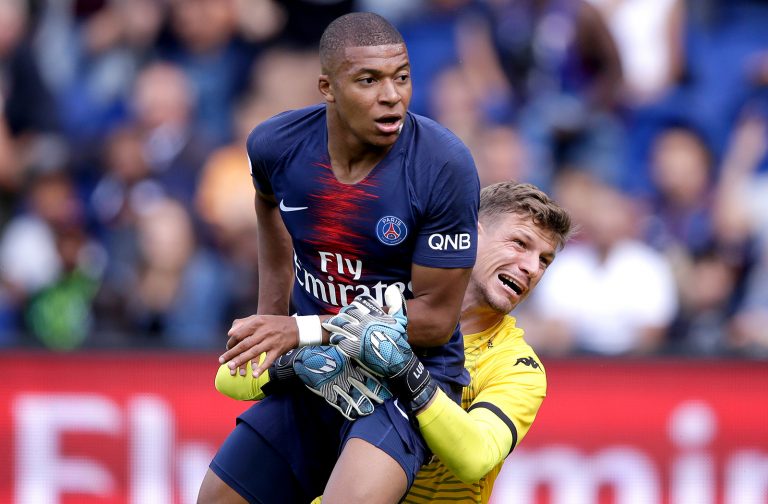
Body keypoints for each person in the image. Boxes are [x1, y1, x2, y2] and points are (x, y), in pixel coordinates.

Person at [197, 12, 480, 504]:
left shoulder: (443, 165)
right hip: (316, 368)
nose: (391, 95)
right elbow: (268, 206)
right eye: (368, 80)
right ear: (327, 87)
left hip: (403, 379)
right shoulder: (276, 145)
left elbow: (436, 321)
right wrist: (271, 318)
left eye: (402, 77)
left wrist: (301, 329)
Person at [216, 181, 574, 504]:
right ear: (469, 234)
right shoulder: (377, 292)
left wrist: (406, 372)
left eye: (545, 260)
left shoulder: (517, 366)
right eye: (520, 244)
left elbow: (475, 457)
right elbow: (230, 379)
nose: (532, 268)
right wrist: (297, 365)